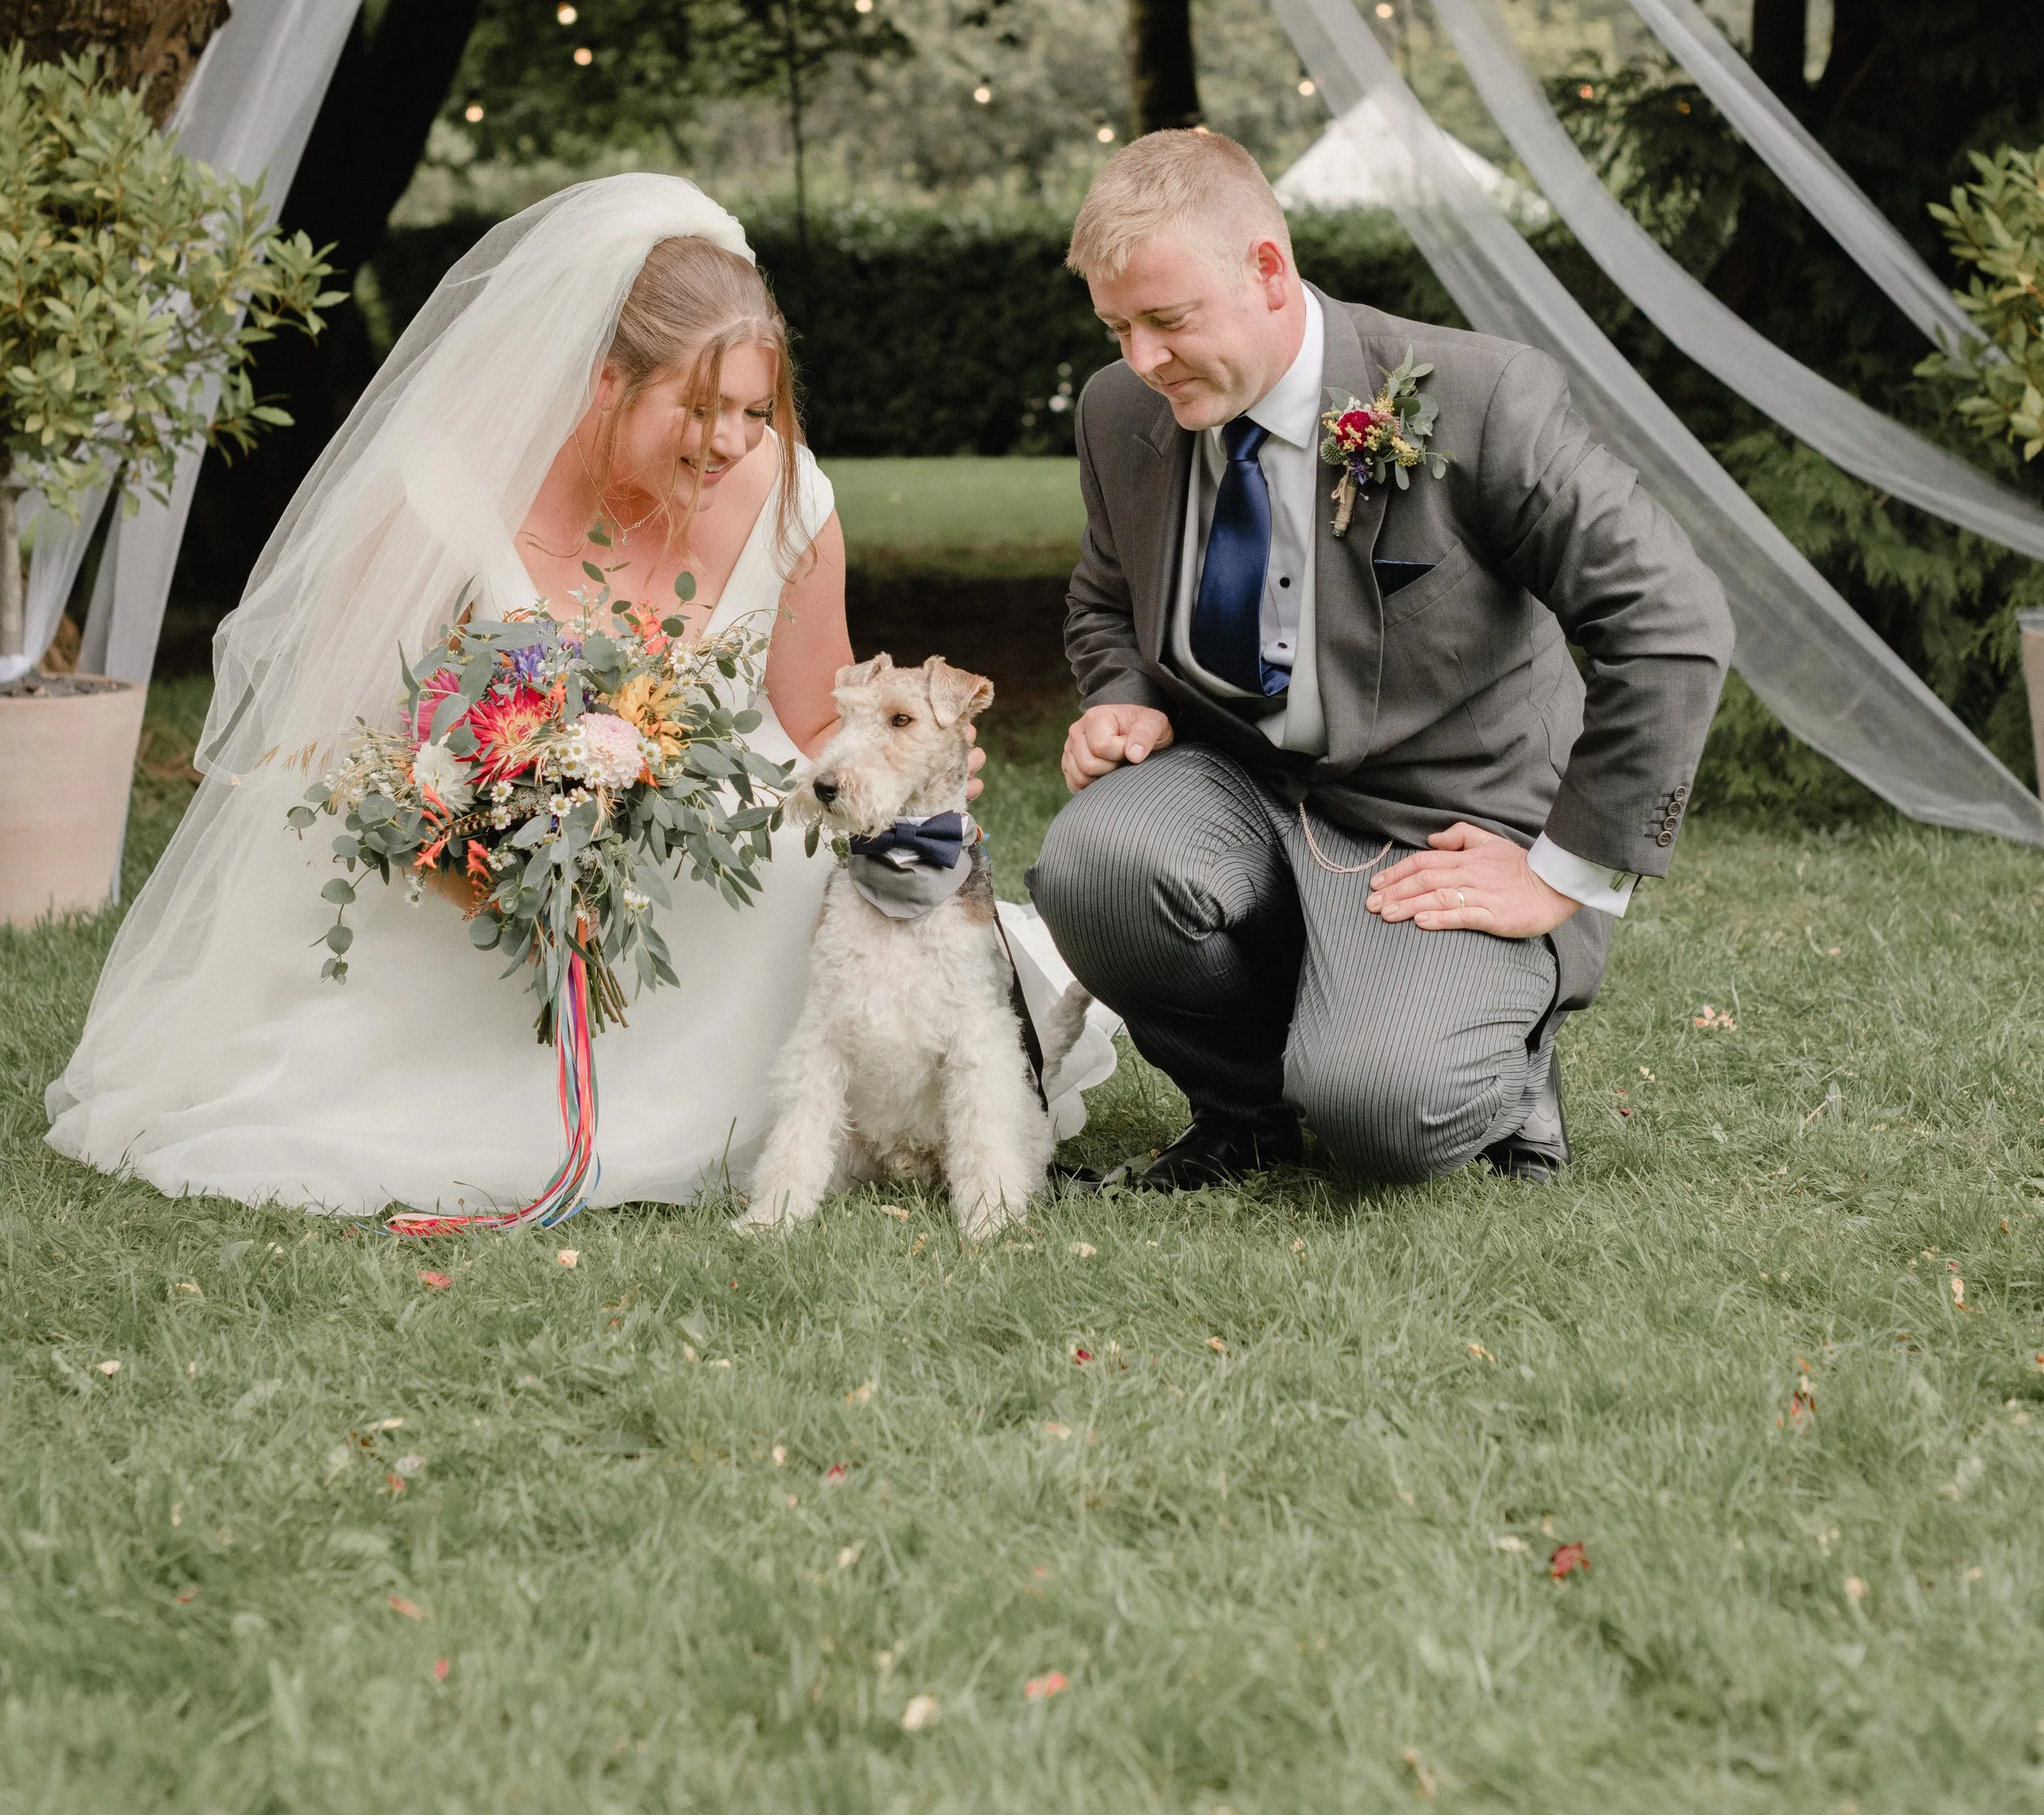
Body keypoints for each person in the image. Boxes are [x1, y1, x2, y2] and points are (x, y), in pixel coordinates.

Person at [47, 177, 864, 1214]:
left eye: (754, 409)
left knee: (801, 863)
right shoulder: (439, 496)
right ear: (604, 380)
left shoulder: (789, 495)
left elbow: (815, 721)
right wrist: (497, 856)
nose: (733, 441)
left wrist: (898, 766)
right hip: (458, 863)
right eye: (697, 409)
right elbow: (340, 749)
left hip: (707, 844)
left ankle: (755, 1095)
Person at [1028, 128, 1734, 1191]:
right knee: (1093, 865)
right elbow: (1104, 594)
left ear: (1268, 269)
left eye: (1168, 321)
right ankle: (1242, 1114)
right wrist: (1123, 696)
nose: (1139, 360)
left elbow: (1672, 620)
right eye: (1116, 325)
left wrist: (1564, 872)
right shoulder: (1118, 411)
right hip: (1239, 792)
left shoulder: (1482, 397)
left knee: (1381, 1115)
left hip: (1440, 825)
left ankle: (1505, 1059)